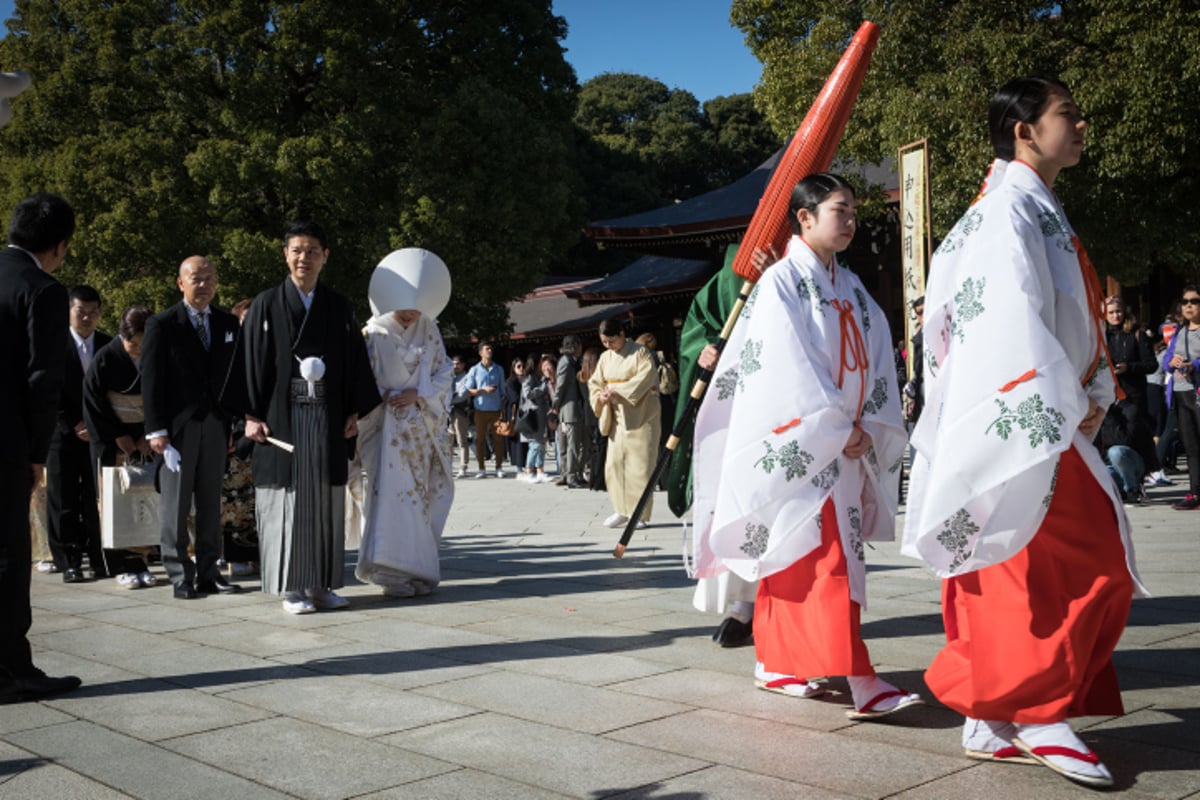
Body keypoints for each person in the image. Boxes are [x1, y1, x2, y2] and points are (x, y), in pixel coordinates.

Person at [903, 77, 1144, 788]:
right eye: (1066, 113)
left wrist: (1088, 389)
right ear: (1023, 130)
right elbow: (1010, 320)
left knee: (1016, 564)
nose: (1081, 123)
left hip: (1038, 408)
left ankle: (992, 713)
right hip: (1024, 413)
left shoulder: (1023, 206)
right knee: (1070, 561)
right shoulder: (1007, 211)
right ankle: (1035, 710)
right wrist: (1066, 399)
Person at [692, 173, 915, 716]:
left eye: (854, 212)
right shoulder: (781, 283)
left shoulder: (852, 287)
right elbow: (789, 372)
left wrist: (869, 422)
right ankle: (860, 677)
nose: (850, 221)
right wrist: (841, 429)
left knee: (804, 560)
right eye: (839, 210)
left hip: (844, 443)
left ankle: (776, 661)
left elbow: (878, 351)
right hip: (806, 446)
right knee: (818, 558)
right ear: (805, 217)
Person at [239, 221, 381, 614]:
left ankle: (321, 585)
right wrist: (250, 415)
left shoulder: (338, 306)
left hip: (328, 416)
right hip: (281, 419)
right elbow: (250, 363)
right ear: (285, 254)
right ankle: (291, 587)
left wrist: (354, 409)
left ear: (325, 256)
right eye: (297, 250)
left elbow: (354, 361)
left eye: (312, 251)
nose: (304, 258)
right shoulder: (266, 305)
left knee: (324, 499)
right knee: (288, 501)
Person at [0, 191, 83, 703]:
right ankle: (12, 669)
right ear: (60, 246)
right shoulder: (43, 289)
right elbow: (41, 379)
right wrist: (36, 451)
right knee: (8, 558)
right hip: (6, 443)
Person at [142, 256, 243, 600]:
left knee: (211, 503)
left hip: (215, 422)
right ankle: (178, 574)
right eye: (196, 278)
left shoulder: (229, 323)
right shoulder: (162, 323)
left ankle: (209, 572)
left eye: (210, 278)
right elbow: (152, 380)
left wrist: (231, 421)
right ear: (180, 282)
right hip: (177, 428)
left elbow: (234, 377)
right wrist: (156, 430)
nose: (204, 284)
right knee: (177, 503)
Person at [356, 304, 454, 597]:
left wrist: (419, 393)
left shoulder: (429, 328)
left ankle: (420, 568)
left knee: (420, 496)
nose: (411, 314)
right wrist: (383, 394)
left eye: (416, 306)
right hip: (384, 423)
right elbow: (359, 376)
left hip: (422, 426)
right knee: (389, 494)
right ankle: (389, 571)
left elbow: (445, 371)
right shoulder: (373, 331)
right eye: (404, 307)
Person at [82, 304, 157, 588]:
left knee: (144, 499)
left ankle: (142, 560)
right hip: (112, 437)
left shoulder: (156, 356)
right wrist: (118, 436)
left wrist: (149, 433)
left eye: (143, 343)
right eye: (132, 343)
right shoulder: (105, 358)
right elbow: (93, 402)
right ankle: (117, 564)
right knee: (112, 501)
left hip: (144, 435)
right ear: (120, 334)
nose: (137, 349)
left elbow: (163, 396)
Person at [46, 285, 111, 582]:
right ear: (68, 311)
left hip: (99, 435)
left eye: (93, 312)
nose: (87, 318)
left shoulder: (109, 346)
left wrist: (95, 424)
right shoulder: (51, 344)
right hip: (61, 433)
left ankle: (102, 557)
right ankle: (68, 560)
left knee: (97, 497)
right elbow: (45, 390)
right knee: (64, 498)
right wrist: (72, 422)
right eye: (80, 312)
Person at [588, 317, 662, 529]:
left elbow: (646, 378)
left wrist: (617, 392)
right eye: (604, 342)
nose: (608, 346)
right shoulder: (605, 358)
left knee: (640, 466)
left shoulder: (640, 352)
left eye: (611, 341)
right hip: (616, 417)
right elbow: (594, 383)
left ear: (622, 334)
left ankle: (640, 513)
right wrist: (600, 396)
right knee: (615, 465)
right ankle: (621, 509)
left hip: (641, 414)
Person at [1161, 285, 1200, 510]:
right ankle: (1195, 493)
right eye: (1185, 302)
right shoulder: (1178, 332)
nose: (1188, 306)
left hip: (1197, 392)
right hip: (1180, 393)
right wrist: (1172, 363)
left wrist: (1193, 365)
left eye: (1194, 301)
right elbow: (1166, 360)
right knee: (1191, 446)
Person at [464, 341, 506, 478]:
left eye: (490, 349)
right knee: (480, 439)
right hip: (480, 409)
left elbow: (503, 390)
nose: (489, 351)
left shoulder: (498, 369)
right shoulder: (474, 370)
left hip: (496, 409)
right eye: (487, 349)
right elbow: (468, 390)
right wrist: (483, 391)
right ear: (480, 352)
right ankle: (481, 468)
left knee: (498, 439)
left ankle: (499, 467)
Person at [553, 335, 587, 488]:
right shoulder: (565, 362)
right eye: (579, 345)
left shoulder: (574, 361)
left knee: (581, 444)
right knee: (572, 445)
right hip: (569, 409)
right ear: (575, 346)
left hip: (577, 408)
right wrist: (555, 405)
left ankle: (577, 473)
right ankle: (571, 476)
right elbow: (559, 387)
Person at [519, 355, 554, 483]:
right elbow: (527, 394)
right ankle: (529, 470)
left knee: (541, 444)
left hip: (541, 414)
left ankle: (540, 470)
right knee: (534, 444)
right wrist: (542, 388)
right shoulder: (529, 378)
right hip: (533, 416)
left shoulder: (541, 378)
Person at [579, 347, 606, 491]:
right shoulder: (598, 378)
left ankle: (593, 478)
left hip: (586, 414)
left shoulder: (581, 377)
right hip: (598, 412)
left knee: (593, 448)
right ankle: (599, 479)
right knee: (601, 447)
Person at [448, 354, 473, 478]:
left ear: (463, 365)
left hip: (460, 410)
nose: (455, 366)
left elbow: (463, 394)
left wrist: (448, 400)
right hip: (447, 411)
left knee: (461, 440)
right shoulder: (448, 376)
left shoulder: (467, 377)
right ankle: (448, 465)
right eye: (453, 363)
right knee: (448, 441)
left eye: (458, 364)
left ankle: (463, 466)